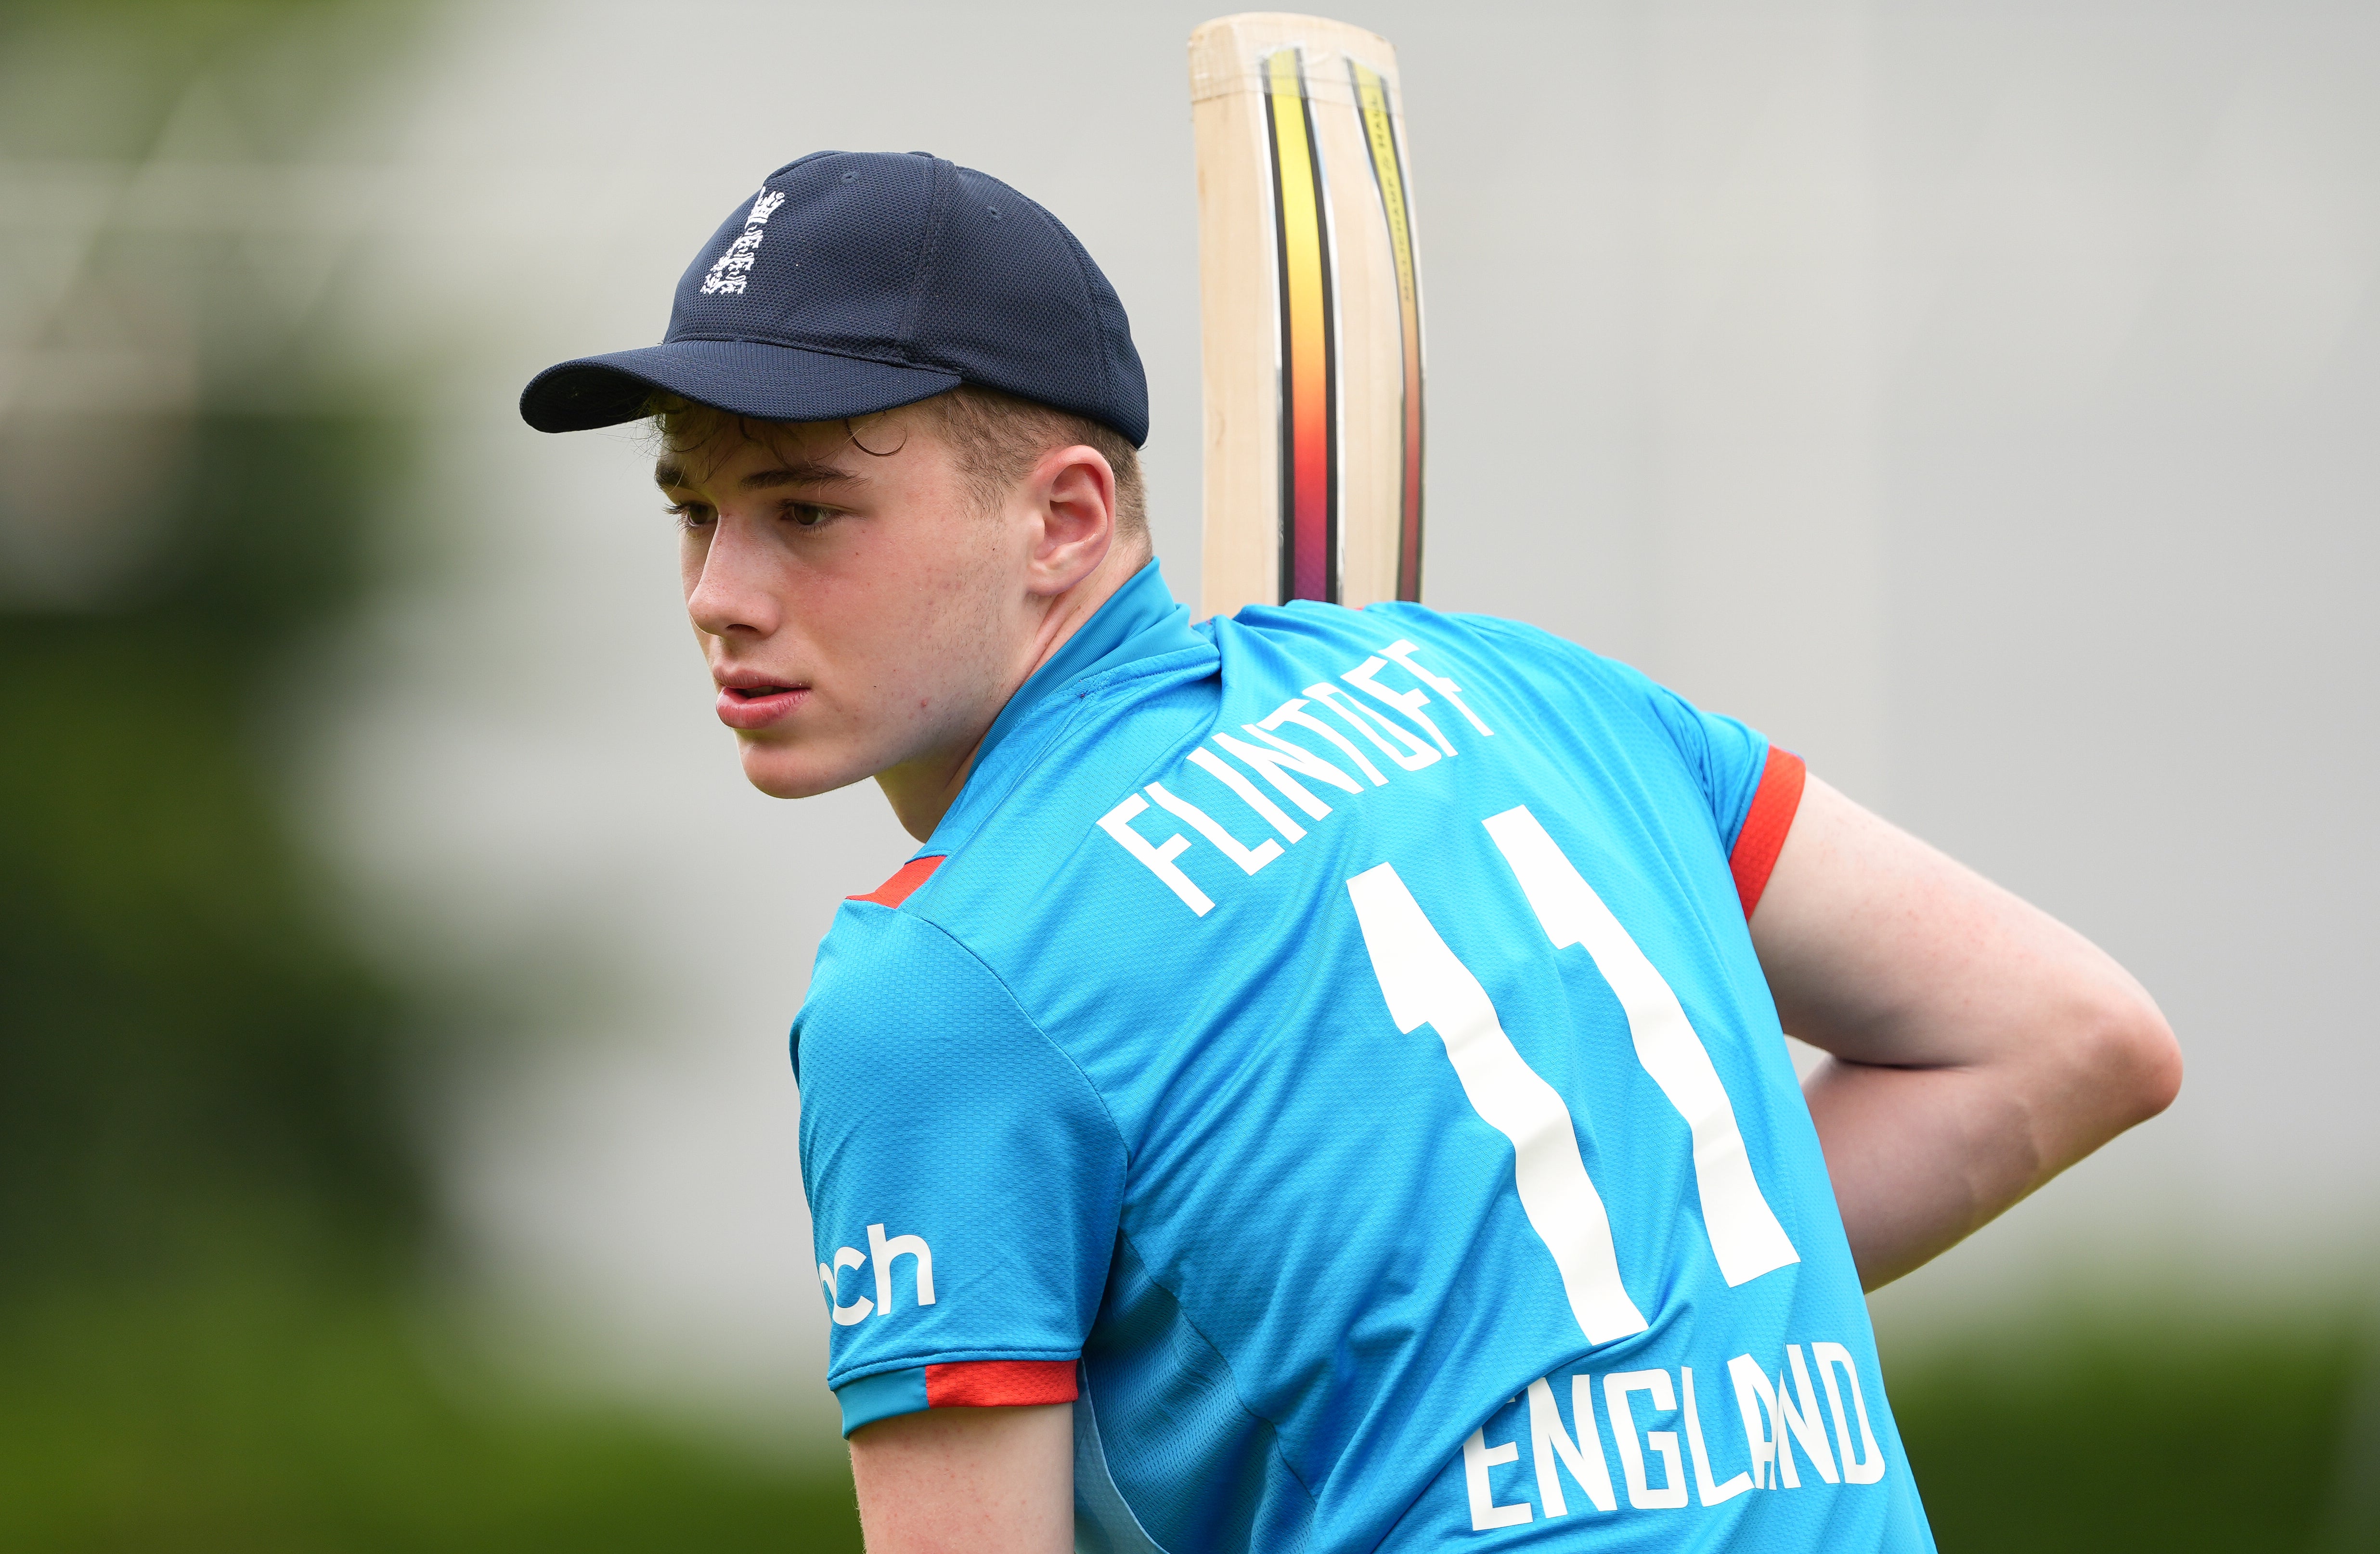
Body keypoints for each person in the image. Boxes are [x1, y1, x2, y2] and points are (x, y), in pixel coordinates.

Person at [520, 150, 2180, 1554]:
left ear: (1068, 519)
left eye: (806, 511)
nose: (721, 591)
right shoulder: (1532, 691)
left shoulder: (942, 986)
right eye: (693, 507)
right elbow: (2072, 1038)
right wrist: (1568, 1342)